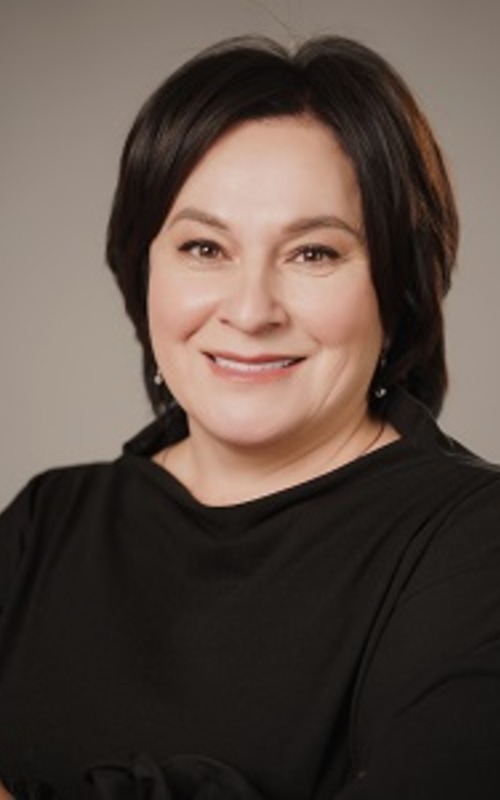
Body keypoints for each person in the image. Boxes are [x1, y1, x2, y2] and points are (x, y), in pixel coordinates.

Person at [0, 33, 499, 800]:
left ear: (398, 288)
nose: (251, 309)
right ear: (142, 270)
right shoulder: (46, 522)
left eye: (313, 253)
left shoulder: (474, 541)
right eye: (205, 248)